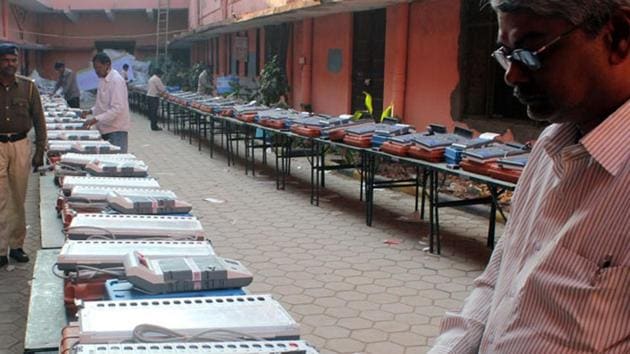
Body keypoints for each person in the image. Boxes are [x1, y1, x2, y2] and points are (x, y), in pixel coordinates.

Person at [430, 1, 630, 353]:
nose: (512, 75)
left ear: (618, 38)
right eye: (506, 54)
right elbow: (498, 280)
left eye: (530, 51)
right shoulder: (547, 149)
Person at [0, 43, 46, 267]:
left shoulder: (28, 87)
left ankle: (16, 246)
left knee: (18, 197)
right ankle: (0, 250)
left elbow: (39, 119)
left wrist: (40, 150)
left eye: (13, 60)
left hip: (20, 144)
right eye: (5, 60)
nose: (10, 64)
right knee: (0, 199)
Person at [81, 52, 131, 153]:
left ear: (107, 65)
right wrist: (90, 111)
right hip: (104, 127)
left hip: (116, 129)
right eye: (95, 68)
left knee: (116, 160)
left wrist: (95, 119)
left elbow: (117, 108)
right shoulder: (102, 79)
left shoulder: (116, 81)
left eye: (99, 68)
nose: (96, 71)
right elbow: (103, 103)